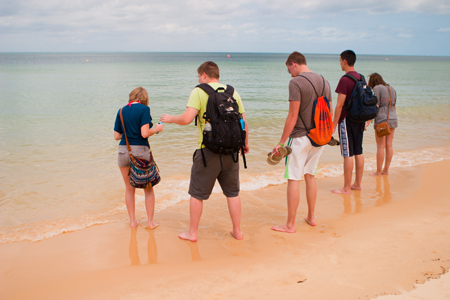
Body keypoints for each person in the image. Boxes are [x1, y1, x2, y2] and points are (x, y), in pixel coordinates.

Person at [160, 61, 249, 242]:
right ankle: (237, 232)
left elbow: (186, 119)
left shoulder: (199, 91)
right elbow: (243, 123)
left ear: (204, 75)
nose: (199, 79)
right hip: (232, 152)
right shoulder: (233, 92)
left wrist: (170, 119)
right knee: (232, 193)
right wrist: (244, 144)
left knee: (197, 194)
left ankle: (193, 233)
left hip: (207, 152)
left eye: (198, 76)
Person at [271, 51, 332, 233]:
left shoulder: (296, 82)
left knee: (294, 179)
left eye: (288, 68)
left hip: (299, 138)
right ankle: (311, 217)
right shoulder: (324, 81)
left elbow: (292, 115)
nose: (289, 72)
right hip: (319, 137)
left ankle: (290, 225)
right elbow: (327, 111)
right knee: (310, 175)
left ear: (294, 63)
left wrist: (281, 143)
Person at [114, 87, 164, 228]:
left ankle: (132, 222)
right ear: (143, 99)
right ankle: (150, 222)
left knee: (129, 188)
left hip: (123, 151)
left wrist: (128, 131)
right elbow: (144, 133)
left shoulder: (122, 110)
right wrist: (157, 129)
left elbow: (116, 136)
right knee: (148, 188)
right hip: (140, 152)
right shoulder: (144, 109)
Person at [331, 50, 365, 195]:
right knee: (358, 150)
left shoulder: (344, 80)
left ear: (344, 61)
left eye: (340, 60)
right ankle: (357, 184)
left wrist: (333, 125)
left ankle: (346, 188)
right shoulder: (361, 78)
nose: (339, 63)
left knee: (347, 153)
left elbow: (339, 105)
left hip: (347, 120)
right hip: (360, 119)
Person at [366, 73, 398, 176]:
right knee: (389, 145)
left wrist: (368, 122)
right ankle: (386, 170)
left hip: (382, 120)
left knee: (380, 146)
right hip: (393, 118)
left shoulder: (376, 88)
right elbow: (394, 106)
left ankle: (378, 172)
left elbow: (376, 106)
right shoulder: (392, 88)